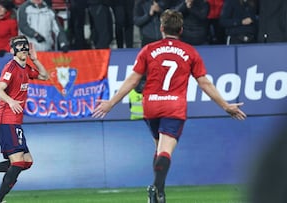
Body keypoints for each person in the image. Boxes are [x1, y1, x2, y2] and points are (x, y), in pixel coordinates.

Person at [92, 9, 246, 203]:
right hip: (174, 106)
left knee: (158, 148)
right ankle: (156, 189)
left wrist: (111, 103)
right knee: (165, 151)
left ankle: (159, 192)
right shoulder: (190, 52)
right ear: (181, 30)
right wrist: (225, 106)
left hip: (151, 106)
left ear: (162, 28)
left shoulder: (148, 50)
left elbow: (133, 80)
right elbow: (204, 83)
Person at [0, 35, 48, 203]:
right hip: (6, 119)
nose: (23, 49)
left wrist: (35, 60)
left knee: (27, 162)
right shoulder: (11, 67)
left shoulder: (26, 68)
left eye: (25, 46)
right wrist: (11, 100)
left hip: (14, 121)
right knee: (18, 162)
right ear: (12, 50)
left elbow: (44, 76)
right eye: (19, 46)